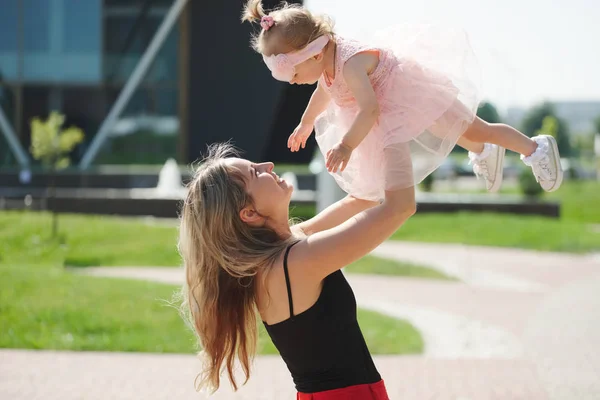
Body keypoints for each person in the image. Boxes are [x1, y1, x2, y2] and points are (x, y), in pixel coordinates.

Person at [241, 0, 563, 201]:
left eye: (293, 74)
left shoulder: (350, 65)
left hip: (410, 91)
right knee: (452, 132)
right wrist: (306, 122)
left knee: (476, 128)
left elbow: (370, 111)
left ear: (313, 53)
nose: (293, 82)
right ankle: (483, 151)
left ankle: (536, 148)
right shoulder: (326, 67)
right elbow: (323, 92)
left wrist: (347, 146)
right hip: (397, 101)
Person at [178, 142, 413, 399]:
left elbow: (363, 199)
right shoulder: (297, 261)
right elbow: (399, 207)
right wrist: (393, 136)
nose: (268, 165)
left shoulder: (282, 253)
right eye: (256, 173)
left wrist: (365, 126)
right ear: (249, 213)